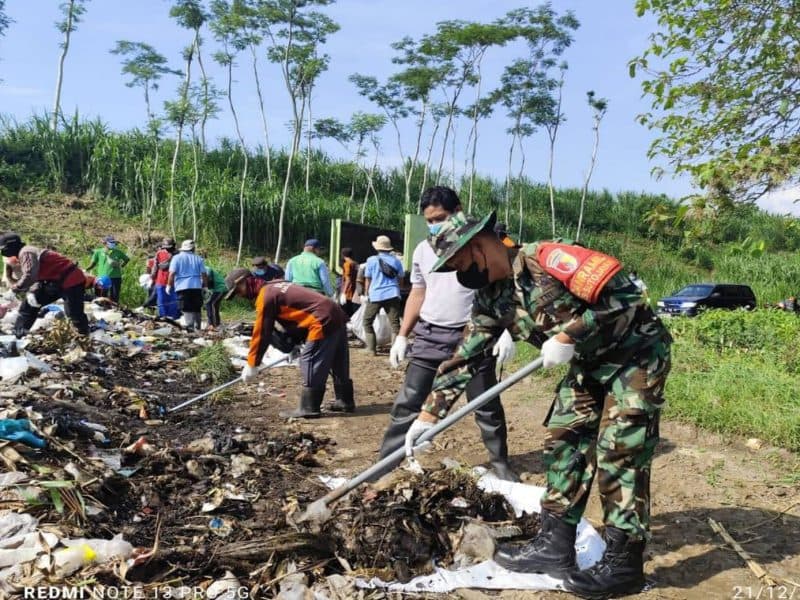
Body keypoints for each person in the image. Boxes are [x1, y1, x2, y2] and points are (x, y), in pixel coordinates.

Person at [403, 211, 672, 599]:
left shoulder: (549, 259)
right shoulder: (491, 297)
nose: (462, 274)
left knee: (619, 451)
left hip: (636, 356)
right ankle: (554, 546)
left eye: (460, 263)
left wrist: (569, 334)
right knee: (563, 440)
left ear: (479, 245)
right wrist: (428, 416)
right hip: (588, 365)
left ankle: (624, 564)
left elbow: (628, 297)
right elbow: (464, 357)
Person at [379, 186, 519, 481]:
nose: (434, 225)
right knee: (408, 403)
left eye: (440, 217)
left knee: (485, 404)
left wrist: (508, 330)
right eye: (428, 220)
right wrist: (403, 334)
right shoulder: (422, 250)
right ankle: (385, 466)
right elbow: (418, 291)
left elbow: (508, 283)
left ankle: (501, 465)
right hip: (431, 333)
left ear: (458, 211)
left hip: (474, 334)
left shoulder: (484, 243)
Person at [226, 268, 354, 418]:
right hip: (334, 312)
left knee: (310, 360)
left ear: (244, 281)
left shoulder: (265, 297)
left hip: (322, 320)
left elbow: (261, 333)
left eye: (238, 291)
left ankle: (309, 407)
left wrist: (252, 363)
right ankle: (345, 401)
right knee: (338, 360)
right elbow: (298, 311)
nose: (240, 296)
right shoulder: (276, 285)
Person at [0, 232, 89, 337]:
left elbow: (30, 275)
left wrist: (15, 289)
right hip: (55, 282)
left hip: (72, 281)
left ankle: (83, 337)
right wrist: (33, 292)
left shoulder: (26, 252)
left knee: (74, 313)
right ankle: (18, 335)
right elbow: (37, 275)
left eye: (3, 248)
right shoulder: (24, 253)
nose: (2, 251)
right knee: (29, 305)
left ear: (11, 246)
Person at [362, 235, 404, 355]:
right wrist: (398, 290)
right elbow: (400, 278)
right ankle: (394, 351)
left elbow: (368, 279)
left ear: (377, 248)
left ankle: (371, 349)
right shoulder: (396, 261)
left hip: (375, 295)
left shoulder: (371, 260)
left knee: (367, 321)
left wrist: (366, 293)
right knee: (395, 324)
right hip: (393, 294)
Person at [167, 239, 207, 330]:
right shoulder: (199, 258)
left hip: (182, 287)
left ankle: (190, 327)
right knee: (196, 307)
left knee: (186, 307)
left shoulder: (176, 258)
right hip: (196, 286)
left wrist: (169, 285)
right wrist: (205, 287)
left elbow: (172, 273)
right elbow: (204, 274)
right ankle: (198, 327)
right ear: (193, 249)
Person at [86, 235, 129, 303]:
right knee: (101, 296)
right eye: (111, 242)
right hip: (102, 278)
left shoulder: (118, 252)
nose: (113, 244)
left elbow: (126, 259)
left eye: (113, 242)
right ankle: (101, 309)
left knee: (114, 296)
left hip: (115, 277)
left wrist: (121, 266)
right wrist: (86, 269)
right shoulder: (98, 252)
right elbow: (93, 263)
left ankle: (114, 309)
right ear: (105, 243)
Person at [151, 238, 180, 319]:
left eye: (169, 247)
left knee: (173, 301)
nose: (167, 249)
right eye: (166, 247)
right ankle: (163, 318)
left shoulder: (178, 254)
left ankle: (174, 318)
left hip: (174, 281)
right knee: (162, 301)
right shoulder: (159, 253)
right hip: (161, 281)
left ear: (173, 246)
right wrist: (152, 278)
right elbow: (155, 267)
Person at [204, 263, 227, 329]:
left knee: (211, 304)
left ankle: (212, 324)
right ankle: (216, 323)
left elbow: (206, 277)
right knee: (214, 305)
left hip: (220, 288)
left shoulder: (207, 269)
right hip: (215, 289)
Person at [338, 247, 358, 317]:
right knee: (351, 310)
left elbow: (348, 279)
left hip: (348, 291)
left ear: (342, 255)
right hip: (354, 290)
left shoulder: (347, 264)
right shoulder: (355, 263)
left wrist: (344, 292)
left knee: (345, 311)